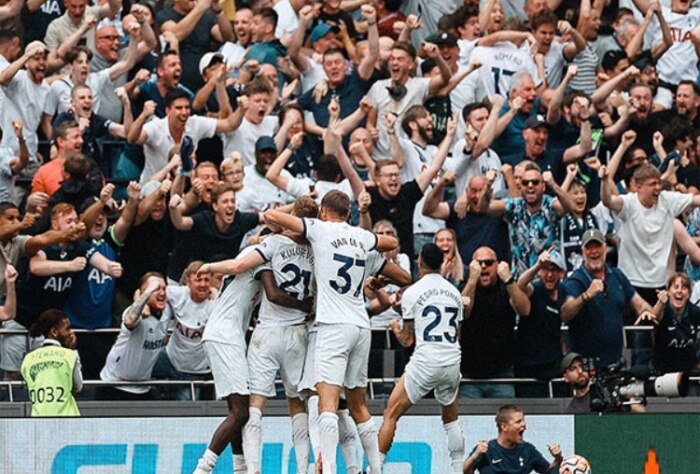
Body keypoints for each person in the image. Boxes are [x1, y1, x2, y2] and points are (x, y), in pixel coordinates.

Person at [264, 190, 398, 474]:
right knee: (358, 405)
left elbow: (271, 216)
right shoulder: (360, 236)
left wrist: (300, 216)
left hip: (332, 326)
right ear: (348, 214)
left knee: (326, 402)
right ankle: (375, 469)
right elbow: (391, 242)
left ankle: (330, 469)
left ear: (324, 211)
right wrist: (368, 241)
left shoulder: (319, 228)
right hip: (361, 326)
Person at [378, 243, 465, 473]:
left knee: (391, 414)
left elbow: (407, 340)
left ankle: (375, 467)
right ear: (441, 263)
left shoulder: (412, 292)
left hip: (426, 360)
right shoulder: (455, 293)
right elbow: (457, 334)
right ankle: (457, 468)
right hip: (451, 359)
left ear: (420, 263)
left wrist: (397, 327)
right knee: (451, 419)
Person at [193, 246, 263, 474]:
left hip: (226, 336)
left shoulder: (257, 257)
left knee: (237, 410)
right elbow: (237, 265)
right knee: (241, 412)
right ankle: (203, 469)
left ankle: (240, 469)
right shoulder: (258, 256)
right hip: (225, 337)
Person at [560, 228, 656, 366]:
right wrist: (586, 296)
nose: (594, 252)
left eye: (597, 246)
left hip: (616, 363)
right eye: (589, 248)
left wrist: (646, 311)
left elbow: (640, 304)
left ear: (605, 248)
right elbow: (565, 313)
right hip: (585, 367)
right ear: (582, 251)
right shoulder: (576, 280)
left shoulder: (617, 275)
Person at [459, 246, 530, 398]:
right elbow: (463, 314)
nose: (484, 266)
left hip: (502, 373)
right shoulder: (466, 286)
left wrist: (508, 279)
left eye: (489, 262)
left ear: (497, 265)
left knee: (507, 420)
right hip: (470, 374)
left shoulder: (507, 286)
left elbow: (524, 310)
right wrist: (472, 279)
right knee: (468, 420)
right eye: (479, 263)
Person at [98, 273, 168, 400]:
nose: (162, 293)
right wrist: (146, 294)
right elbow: (130, 320)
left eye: (163, 288)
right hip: (115, 386)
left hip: (142, 387)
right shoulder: (135, 313)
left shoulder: (166, 313)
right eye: (156, 289)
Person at [514, 249, 567, 397]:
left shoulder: (564, 291)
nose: (549, 275)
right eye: (545, 270)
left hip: (553, 361)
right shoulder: (535, 288)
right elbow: (521, 284)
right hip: (528, 364)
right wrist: (537, 265)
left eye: (554, 270)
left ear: (561, 273)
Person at [462, 405, 563, 473]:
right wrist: (476, 455)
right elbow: (464, 471)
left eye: (523, 421)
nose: (523, 425)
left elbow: (548, 472)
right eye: (518, 422)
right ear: (504, 427)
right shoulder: (487, 450)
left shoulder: (528, 450)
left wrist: (558, 458)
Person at [20, 309, 82, 417]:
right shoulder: (70, 355)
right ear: (54, 332)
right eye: (67, 329)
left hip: (38, 419)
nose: (71, 333)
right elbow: (78, 387)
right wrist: (71, 350)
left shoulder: (28, 359)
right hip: (68, 420)